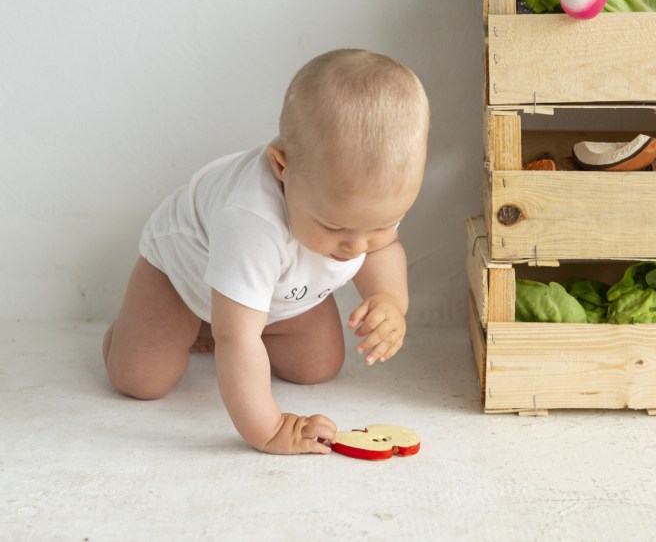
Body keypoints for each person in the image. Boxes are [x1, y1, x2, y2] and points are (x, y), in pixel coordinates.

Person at [102, 49, 429, 455]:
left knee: (318, 367)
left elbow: (385, 249)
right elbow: (237, 338)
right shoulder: (251, 222)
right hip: (182, 276)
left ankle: (226, 320)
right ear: (281, 166)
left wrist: (390, 301)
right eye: (334, 226)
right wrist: (271, 429)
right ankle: (144, 329)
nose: (357, 246)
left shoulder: (368, 201)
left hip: (279, 288)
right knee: (141, 379)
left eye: (379, 225)